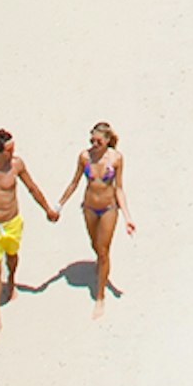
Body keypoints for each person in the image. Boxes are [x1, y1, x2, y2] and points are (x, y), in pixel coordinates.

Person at [0, 128, 61, 341]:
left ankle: (12, 280)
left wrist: (47, 209)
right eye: (9, 150)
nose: (13, 152)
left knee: (12, 257)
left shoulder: (16, 165)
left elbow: (32, 187)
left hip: (13, 223)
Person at [69, 122, 132, 306]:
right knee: (95, 244)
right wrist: (59, 205)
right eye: (92, 140)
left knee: (104, 251)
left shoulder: (116, 159)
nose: (94, 144)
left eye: (98, 141)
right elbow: (74, 183)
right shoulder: (84, 157)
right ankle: (101, 265)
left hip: (109, 208)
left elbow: (119, 188)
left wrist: (128, 218)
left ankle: (100, 295)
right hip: (89, 207)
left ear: (107, 141)